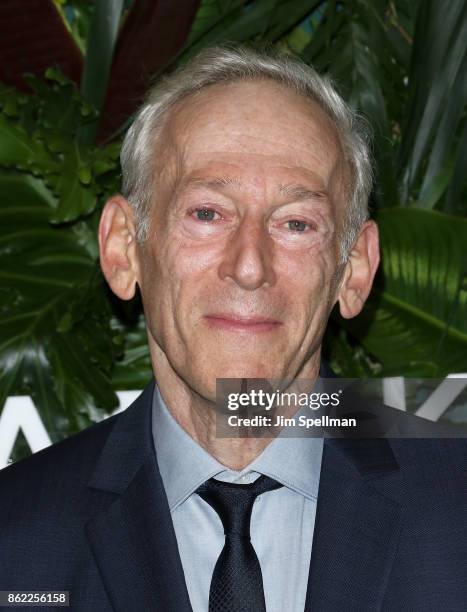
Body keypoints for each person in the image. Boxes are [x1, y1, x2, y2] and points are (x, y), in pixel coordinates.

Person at [0, 45, 466, 612]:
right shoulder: (14, 541)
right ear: (124, 249)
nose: (249, 266)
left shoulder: (456, 508)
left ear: (355, 270)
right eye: (206, 213)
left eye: (296, 223)